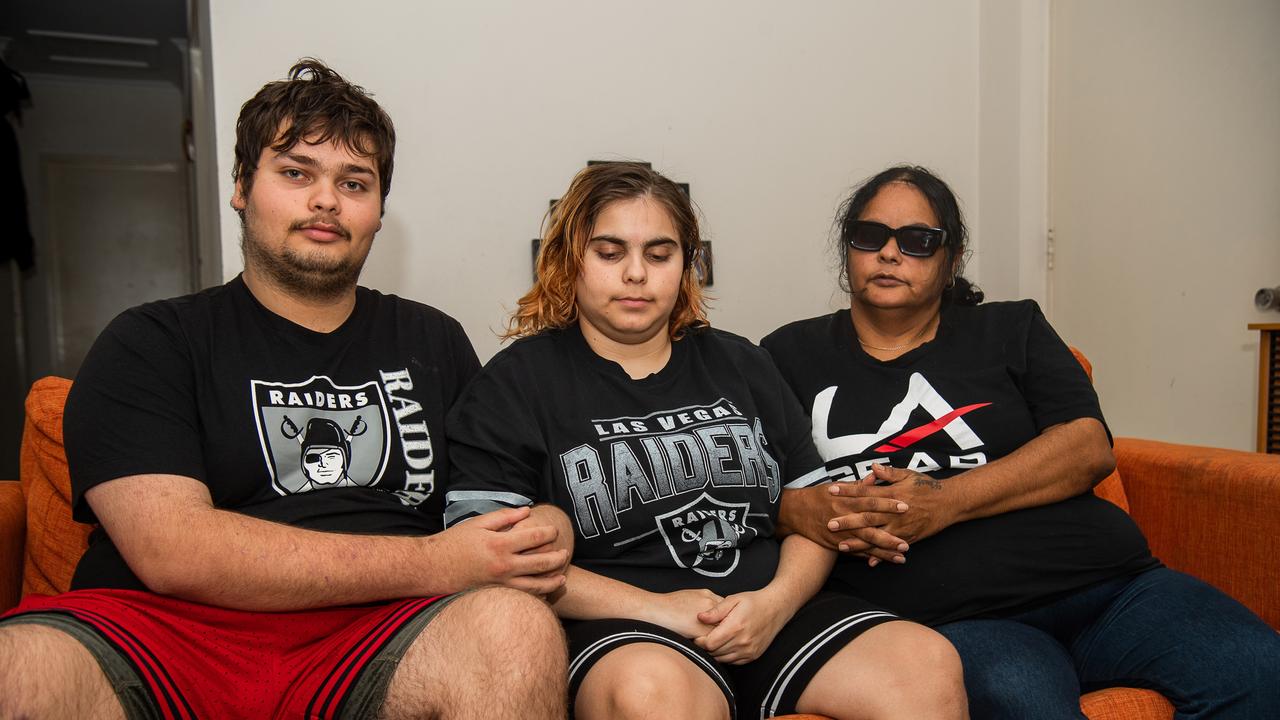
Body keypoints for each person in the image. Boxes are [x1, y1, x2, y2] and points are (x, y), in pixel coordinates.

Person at [0, 60, 570, 719]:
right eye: (297, 173)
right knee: (18, 668)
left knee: (515, 630)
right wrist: (438, 563)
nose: (326, 199)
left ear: (378, 212)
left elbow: (499, 504)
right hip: (164, 631)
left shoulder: (433, 339)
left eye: (354, 182)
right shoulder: (150, 340)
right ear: (241, 187)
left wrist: (544, 527)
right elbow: (172, 551)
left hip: (382, 636)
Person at [443, 162, 967, 720]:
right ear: (570, 259)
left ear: (688, 264)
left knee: (924, 662)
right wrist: (662, 611)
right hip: (625, 629)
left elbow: (820, 514)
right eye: (610, 252)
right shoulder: (514, 382)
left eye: (660, 254)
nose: (637, 274)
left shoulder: (741, 363)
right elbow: (490, 561)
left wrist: (774, 604)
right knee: (652, 693)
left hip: (768, 610)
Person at [763, 164, 1280, 718]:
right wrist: (810, 511)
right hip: (963, 619)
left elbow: (1087, 446)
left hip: (1108, 589)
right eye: (870, 236)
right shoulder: (788, 356)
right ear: (848, 249)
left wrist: (942, 502)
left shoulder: (1012, 329)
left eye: (917, 240)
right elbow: (745, 489)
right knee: (1026, 703)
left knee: (1257, 666)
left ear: (951, 258)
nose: (890, 254)